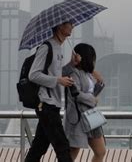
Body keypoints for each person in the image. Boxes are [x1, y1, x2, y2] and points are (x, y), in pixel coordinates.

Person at [25, 21, 81, 162]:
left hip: (53, 105)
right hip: (45, 104)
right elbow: (33, 75)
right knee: (62, 146)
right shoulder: (46, 47)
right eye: (70, 23)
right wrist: (58, 80)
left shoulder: (58, 48)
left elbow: (57, 74)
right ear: (60, 26)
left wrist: (71, 65)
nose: (73, 26)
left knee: (39, 147)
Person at [63, 43, 106, 162]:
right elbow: (76, 94)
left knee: (100, 151)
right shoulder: (73, 73)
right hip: (78, 117)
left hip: (92, 115)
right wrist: (93, 100)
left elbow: (92, 92)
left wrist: (100, 82)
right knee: (73, 151)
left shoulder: (88, 73)